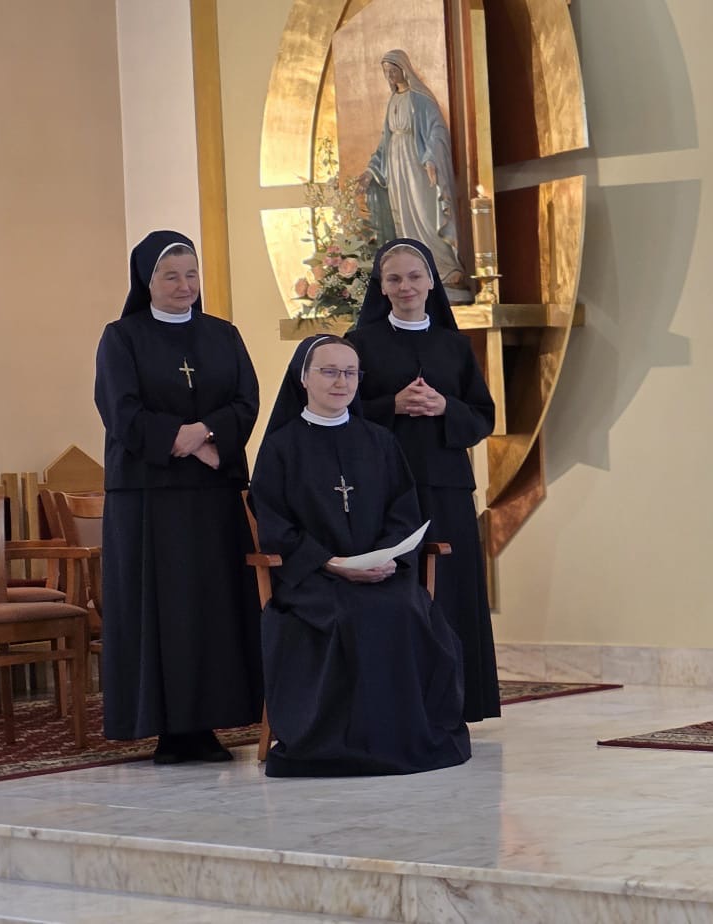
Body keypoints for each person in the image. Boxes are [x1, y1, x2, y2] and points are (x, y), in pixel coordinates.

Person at [248, 334, 471, 778]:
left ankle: (403, 736)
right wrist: (328, 563)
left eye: (350, 373)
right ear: (303, 378)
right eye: (329, 372)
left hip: (383, 573)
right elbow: (274, 524)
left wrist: (391, 559)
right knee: (348, 614)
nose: (341, 382)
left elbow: (403, 511)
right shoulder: (281, 447)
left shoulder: (380, 441)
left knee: (405, 608)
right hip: (313, 579)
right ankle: (338, 745)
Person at [94, 230, 262, 764]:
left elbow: (247, 400)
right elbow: (120, 410)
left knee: (215, 607)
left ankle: (211, 723)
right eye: (171, 276)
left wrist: (207, 434)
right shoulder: (121, 338)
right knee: (162, 612)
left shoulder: (223, 335)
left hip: (213, 495)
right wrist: (186, 440)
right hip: (148, 498)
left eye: (191, 275)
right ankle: (168, 729)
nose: (184, 285)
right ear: (147, 281)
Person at [346, 238, 500, 722]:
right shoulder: (360, 344)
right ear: (381, 287)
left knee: (451, 591)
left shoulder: (454, 346)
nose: (405, 286)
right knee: (396, 590)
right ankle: (397, 704)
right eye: (394, 279)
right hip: (384, 489)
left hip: (447, 486)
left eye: (414, 277)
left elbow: (483, 417)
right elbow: (342, 412)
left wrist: (444, 406)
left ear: (431, 282)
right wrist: (390, 405)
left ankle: (456, 703)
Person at [364, 48, 471, 303]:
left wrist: (431, 158)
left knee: (425, 215)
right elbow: (384, 142)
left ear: (404, 70)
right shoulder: (393, 101)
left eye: (393, 70)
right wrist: (370, 171)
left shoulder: (420, 99)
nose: (390, 76)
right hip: (396, 168)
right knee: (405, 221)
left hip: (418, 167)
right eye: (386, 72)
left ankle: (444, 269)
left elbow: (437, 130)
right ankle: (415, 271)